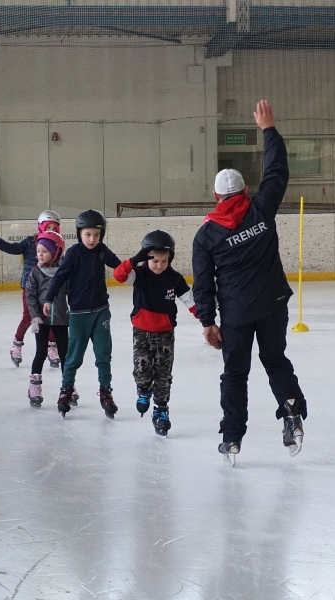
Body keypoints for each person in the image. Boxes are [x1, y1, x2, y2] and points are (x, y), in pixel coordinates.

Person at [191, 100, 307, 466]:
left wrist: (208, 321)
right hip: (273, 305)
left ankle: (231, 438)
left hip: (237, 314)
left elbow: (203, 284)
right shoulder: (261, 208)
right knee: (275, 360)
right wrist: (268, 129)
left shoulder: (206, 235)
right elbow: (277, 171)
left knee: (235, 374)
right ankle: (292, 413)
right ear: (244, 192)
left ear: (216, 197)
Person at [113, 229, 197, 436]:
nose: (159, 265)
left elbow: (190, 301)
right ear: (146, 258)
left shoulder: (174, 278)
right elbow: (118, 276)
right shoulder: (139, 274)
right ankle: (143, 391)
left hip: (165, 334)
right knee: (142, 370)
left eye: (164, 261)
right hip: (141, 332)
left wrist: (206, 321)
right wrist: (134, 260)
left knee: (163, 375)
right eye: (154, 261)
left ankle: (161, 410)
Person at [43, 209, 121, 418]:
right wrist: (49, 298)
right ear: (79, 234)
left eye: (96, 235)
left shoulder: (102, 250)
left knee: (103, 355)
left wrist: (137, 269)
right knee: (74, 356)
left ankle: (106, 392)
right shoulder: (74, 253)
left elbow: (120, 267)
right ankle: (66, 389)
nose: (92, 239)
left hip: (101, 312)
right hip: (78, 314)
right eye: (88, 234)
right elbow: (60, 277)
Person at [0, 210, 62, 369]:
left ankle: (52, 348)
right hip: (31, 288)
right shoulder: (30, 242)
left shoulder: (57, 245)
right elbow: (12, 248)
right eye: (48, 227)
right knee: (28, 317)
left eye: (54, 228)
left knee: (51, 318)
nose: (51, 231)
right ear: (40, 227)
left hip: (49, 288)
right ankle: (16, 345)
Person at [24, 231, 70, 408]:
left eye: (44, 251)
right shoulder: (36, 272)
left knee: (65, 353)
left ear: (55, 252)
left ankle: (68, 384)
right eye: (38, 251)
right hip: (41, 319)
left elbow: (72, 292)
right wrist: (35, 316)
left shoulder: (64, 271)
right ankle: (34, 386)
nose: (40, 255)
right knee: (41, 352)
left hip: (61, 318)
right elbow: (30, 295)